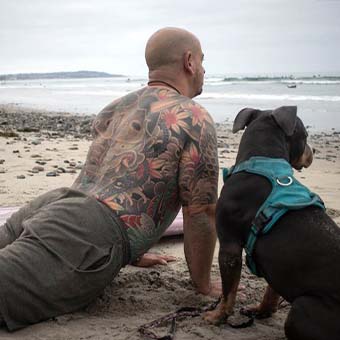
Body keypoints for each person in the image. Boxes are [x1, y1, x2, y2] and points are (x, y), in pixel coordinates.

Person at [0, 27, 219, 331]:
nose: (205, 70)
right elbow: (200, 211)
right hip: (83, 231)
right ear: (189, 61)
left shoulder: (116, 108)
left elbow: (116, 180)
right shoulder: (194, 117)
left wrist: (133, 249)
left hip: (56, 203)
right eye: (203, 61)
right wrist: (204, 284)